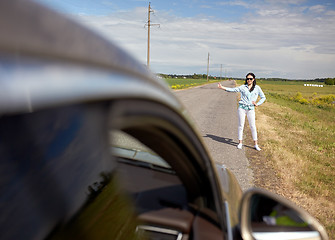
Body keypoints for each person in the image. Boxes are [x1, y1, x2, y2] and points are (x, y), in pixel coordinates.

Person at [218, 73, 266, 151]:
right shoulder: (243, 87)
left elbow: (263, 97)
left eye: (250, 79)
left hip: (250, 109)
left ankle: (256, 144)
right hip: (242, 108)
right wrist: (222, 87)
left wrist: (257, 104)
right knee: (241, 125)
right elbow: (233, 90)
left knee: (253, 126)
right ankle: (240, 143)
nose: (249, 80)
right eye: (247, 79)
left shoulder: (257, 88)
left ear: (253, 79)